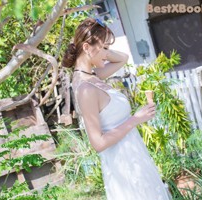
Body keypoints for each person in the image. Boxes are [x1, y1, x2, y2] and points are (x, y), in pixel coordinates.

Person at [62, 18, 171, 200]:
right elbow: (98, 143)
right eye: (104, 48)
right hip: (123, 166)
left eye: (107, 48)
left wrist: (100, 49)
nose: (107, 53)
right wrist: (136, 119)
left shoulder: (93, 76)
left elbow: (123, 59)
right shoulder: (85, 89)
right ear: (87, 48)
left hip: (134, 157)